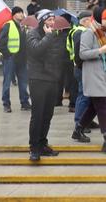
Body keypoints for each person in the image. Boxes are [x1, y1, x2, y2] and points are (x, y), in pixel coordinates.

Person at [72, 7, 106, 155]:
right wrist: (102, 51)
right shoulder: (89, 32)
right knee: (102, 105)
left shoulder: (105, 32)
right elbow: (82, 54)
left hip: (104, 74)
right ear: (99, 18)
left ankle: (78, 129)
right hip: (93, 74)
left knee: (94, 107)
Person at [26, 9, 65, 161]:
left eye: (53, 20)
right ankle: (34, 147)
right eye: (49, 20)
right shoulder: (32, 34)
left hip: (52, 79)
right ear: (42, 21)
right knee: (38, 115)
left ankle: (43, 143)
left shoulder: (55, 34)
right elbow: (36, 50)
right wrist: (48, 37)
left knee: (48, 114)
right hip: (38, 79)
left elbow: (58, 55)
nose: (52, 23)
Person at [0, 6, 31, 113]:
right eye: (19, 13)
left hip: (22, 59)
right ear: (14, 14)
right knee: (7, 82)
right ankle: (6, 104)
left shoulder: (23, 27)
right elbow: (0, 43)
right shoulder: (8, 25)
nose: (22, 14)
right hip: (10, 59)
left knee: (23, 82)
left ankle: (25, 103)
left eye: (22, 12)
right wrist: (8, 54)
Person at [68, 11, 95, 135]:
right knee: (83, 96)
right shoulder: (80, 32)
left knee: (88, 95)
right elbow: (80, 53)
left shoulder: (77, 31)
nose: (93, 22)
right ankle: (79, 121)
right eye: (91, 20)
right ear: (85, 21)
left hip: (81, 67)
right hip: (81, 68)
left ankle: (87, 120)